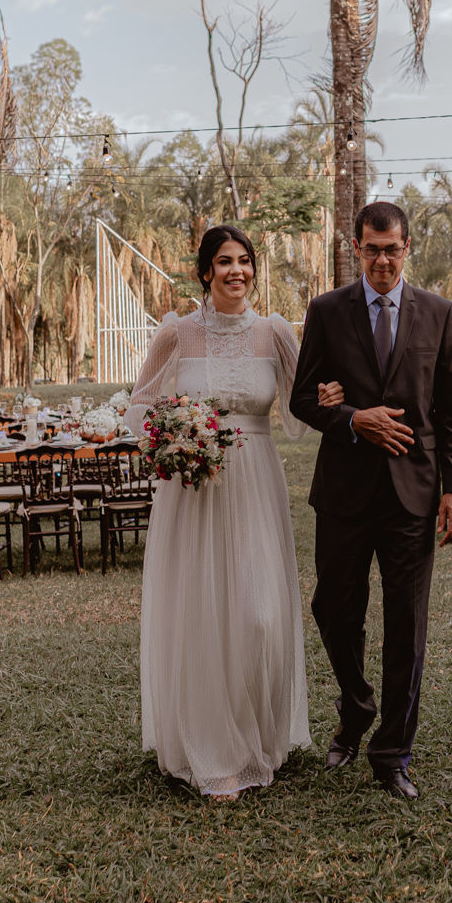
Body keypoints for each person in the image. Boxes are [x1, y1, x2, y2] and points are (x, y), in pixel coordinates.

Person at [289, 201, 452, 800]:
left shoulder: (439, 314)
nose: (383, 259)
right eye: (372, 249)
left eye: (393, 249)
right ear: (356, 249)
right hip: (343, 492)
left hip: (412, 495)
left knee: (406, 627)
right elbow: (302, 400)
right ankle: (358, 703)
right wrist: (350, 419)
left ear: (408, 247)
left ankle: (393, 752)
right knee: (331, 609)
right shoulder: (326, 310)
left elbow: (450, 415)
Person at [125, 225, 311, 800]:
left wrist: (328, 398)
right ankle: (215, 752)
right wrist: (173, 439)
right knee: (205, 612)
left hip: (256, 480)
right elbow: (139, 406)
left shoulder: (274, 331)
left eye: (246, 261)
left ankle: (258, 733)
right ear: (205, 272)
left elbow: (301, 409)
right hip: (195, 489)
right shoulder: (177, 333)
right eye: (225, 262)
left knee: (260, 614)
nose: (238, 271)